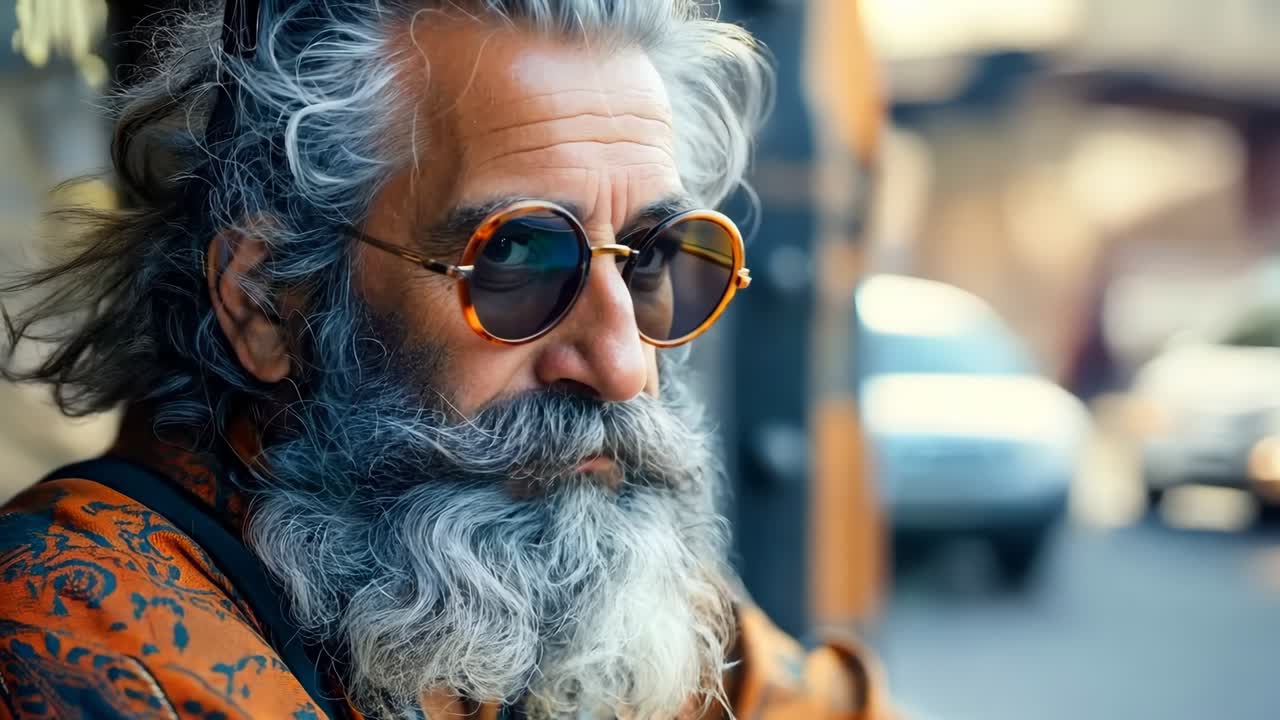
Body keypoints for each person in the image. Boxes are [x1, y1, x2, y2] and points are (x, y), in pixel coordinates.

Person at [0, 1, 892, 718]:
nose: (624, 367)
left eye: (653, 257)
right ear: (269, 302)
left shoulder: (578, 566)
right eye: (516, 261)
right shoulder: (67, 632)